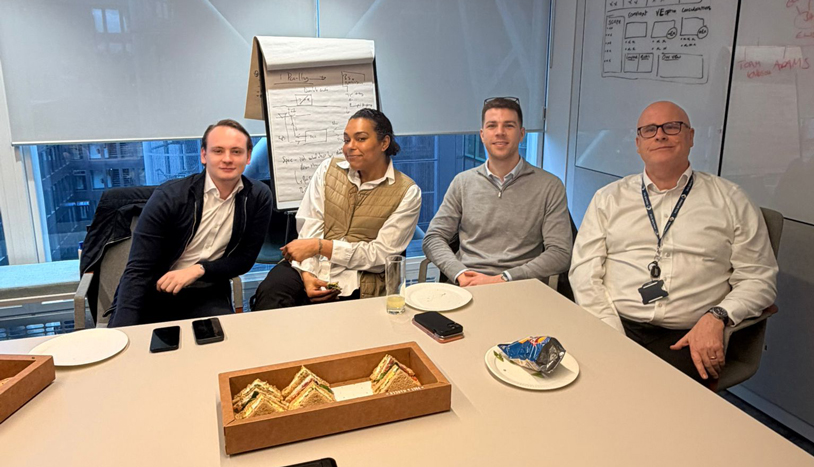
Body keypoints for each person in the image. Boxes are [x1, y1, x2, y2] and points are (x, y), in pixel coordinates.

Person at [569, 101, 778, 382]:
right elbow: (584, 271)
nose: (660, 135)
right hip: (614, 323)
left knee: (653, 408)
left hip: (690, 336)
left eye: (672, 126)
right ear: (638, 143)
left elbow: (759, 279)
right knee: (573, 386)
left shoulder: (731, 200)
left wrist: (718, 316)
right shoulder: (608, 199)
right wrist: (610, 330)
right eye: (649, 130)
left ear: (690, 137)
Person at [251, 108, 421, 309]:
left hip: (361, 277)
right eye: (346, 140)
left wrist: (322, 246)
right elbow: (310, 227)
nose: (350, 147)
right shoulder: (328, 169)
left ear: (384, 143)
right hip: (311, 264)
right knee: (271, 291)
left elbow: (381, 255)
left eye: (361, 139)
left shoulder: (407, 192)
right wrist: (307, 275)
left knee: (340, 319)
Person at [108, 119, 272, 327]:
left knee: (222, 347)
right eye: (218, 151)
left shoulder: (258, 197)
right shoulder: (170, 197)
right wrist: (123, 330)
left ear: (248, 157)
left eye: (236, 152)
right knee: (144, 350)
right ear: (204, 155)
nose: (228, 159)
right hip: (156, 291)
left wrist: (197, 270)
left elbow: (244, 260)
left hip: (207, 291)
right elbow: (138, 271)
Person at [422, 97, 572, 287]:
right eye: (492, 126)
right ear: (482, 134)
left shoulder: (549, 186)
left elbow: (560, 253)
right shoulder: (463, 183)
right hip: (468, 285)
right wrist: (459, 273)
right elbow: (433, 238)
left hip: (520, 287)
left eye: (509, 126)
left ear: (522, 134)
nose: (500, 132)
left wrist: (503, 278)